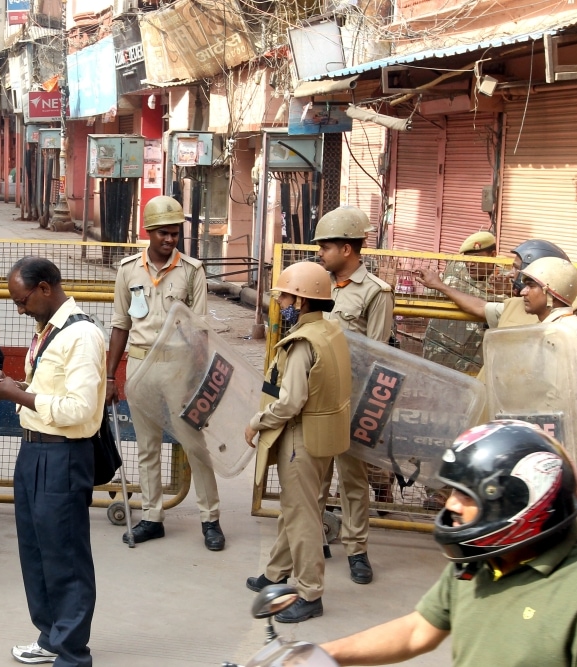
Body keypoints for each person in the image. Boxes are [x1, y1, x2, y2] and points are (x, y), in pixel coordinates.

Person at [320, 420, 577, 666]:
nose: (451, 506)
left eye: (466, 495)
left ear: (520, 501)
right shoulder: (480, 558)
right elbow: (419, 631)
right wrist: (322, 654)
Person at [0, 257, 106, 667]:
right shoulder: (48, 331)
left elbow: (80, 409)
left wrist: (18, 396)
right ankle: (51, 636)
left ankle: (72, 653)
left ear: (46, 287)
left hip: (63, 454)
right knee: (36, 551)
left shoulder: (82, 335)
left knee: (64, 555)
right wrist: (16, 387)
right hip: (34, 450)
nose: (19, 308)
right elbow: (53, 391)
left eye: (22, 299)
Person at [106, 196, 222, 550]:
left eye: (175, 234)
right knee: (146, 446)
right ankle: (151, 517)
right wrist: (111, 377)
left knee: (194, 445)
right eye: (163, 234)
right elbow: (119, 325)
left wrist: (197, 378)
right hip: (140, 365)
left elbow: (200, 329)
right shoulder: (128, 270)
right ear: (149, 232)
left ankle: (211, 518)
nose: (170, 240)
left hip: (179, 366)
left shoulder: (192, 271)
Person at [244, 261, 352, 623]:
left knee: (303, 516)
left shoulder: (303, 343)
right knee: (296, 509)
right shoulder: (330, 331)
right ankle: (276, 573)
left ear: (303, 302)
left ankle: (309, 593)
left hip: (300, 438)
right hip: (324, 435)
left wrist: (257, 422)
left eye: (287, 295)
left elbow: (290, 402)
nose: (282, 302)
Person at [413, 239, 577, 413]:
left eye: (518, 268)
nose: (510, 274)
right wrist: (439, 285)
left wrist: (564, 413)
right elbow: (480, 307)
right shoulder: (517, 307)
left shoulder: (576, 319)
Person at [312, 205, 394, 585]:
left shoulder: (376, 293)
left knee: (353, 480)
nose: (319, 254)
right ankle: (313, 541)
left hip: (353, 399)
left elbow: (380, 355)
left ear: (347, 249)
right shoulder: (315, 283)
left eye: (325, 247)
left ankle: (357, 549)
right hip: (315, 396)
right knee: (313, 476)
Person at [513, 258, 577, 530]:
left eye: (531, 285)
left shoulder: (560, 335)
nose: (522, 292)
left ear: (551, 294)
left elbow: (550, 404)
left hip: (561, 452)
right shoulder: (576, 329)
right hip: (571, 450)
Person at [420, 231, 498, 374]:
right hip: (438, 357)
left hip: (475, 367)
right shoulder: (452, 275)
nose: (471, 264)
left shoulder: (505, 285)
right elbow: (428, 310)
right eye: (467, 259)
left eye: (477, 258)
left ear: (493, 256)